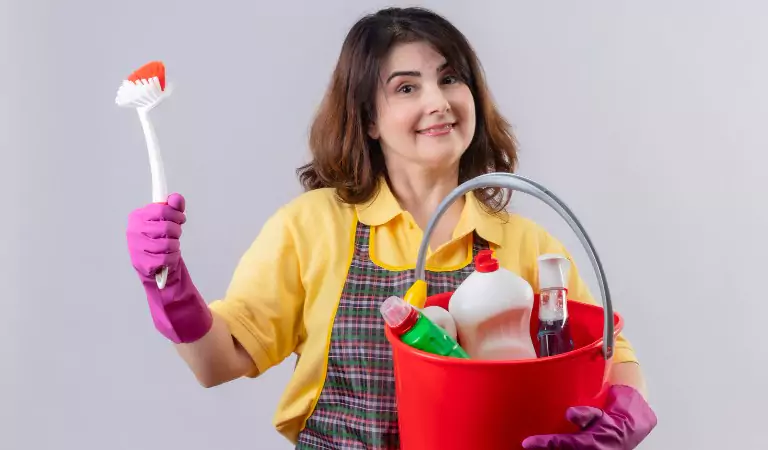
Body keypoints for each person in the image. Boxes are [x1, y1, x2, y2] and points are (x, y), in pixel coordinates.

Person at [125, 7, 657, 449]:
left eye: (451, 78)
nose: (438, 102)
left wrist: (623, 416)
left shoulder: (524, 243)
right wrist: (169, 289)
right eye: (406, 88)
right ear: (369, 119)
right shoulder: (312, 227)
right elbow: (220, 361)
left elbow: (611, 358)